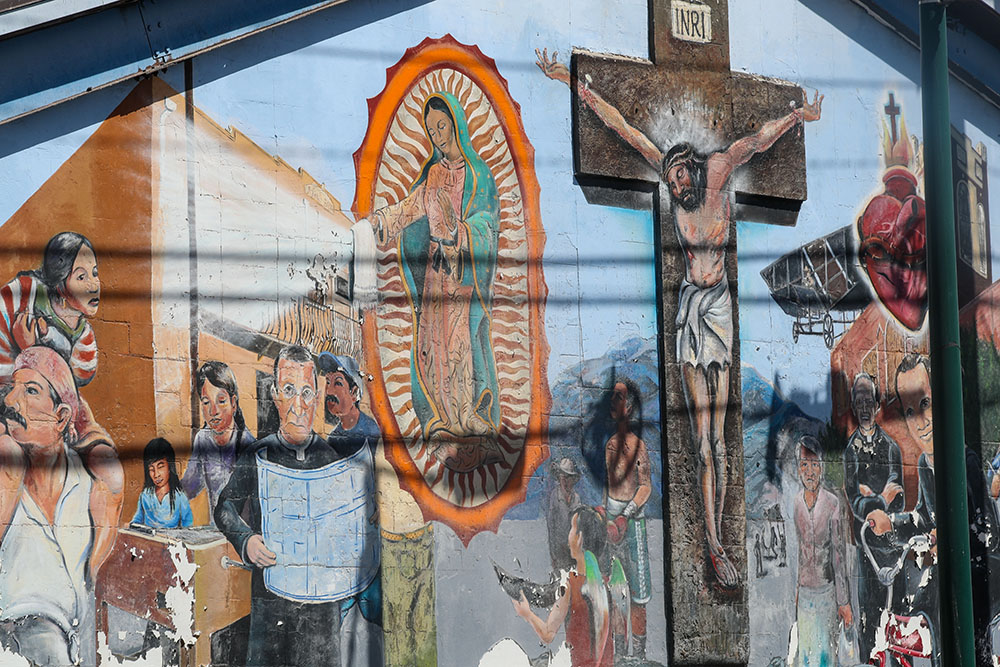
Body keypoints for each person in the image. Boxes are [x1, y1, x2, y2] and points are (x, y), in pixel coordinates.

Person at [536, 49, 822, 590]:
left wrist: (796, 117)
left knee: (722, 439)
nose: (676, 186)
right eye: (669, 180)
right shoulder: (673, 187)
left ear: (692, 167)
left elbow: (757, 141)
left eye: (679, 176)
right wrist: (576, 86)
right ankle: (712, 542)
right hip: (691, 309)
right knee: (701, 439)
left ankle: (720, 536)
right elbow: (624, 131)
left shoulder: (717, 172)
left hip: (720, 308)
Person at [215, 345, 380, 667]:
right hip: (270, 606)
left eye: (306, 392)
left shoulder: (332, 459)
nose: (298, 404)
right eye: (289, 390)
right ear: (275, 395)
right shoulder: (258, 454)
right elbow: (225, 507)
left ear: (316, 397)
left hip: (322, 616)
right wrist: (246, 540)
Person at [368, 92, 501, 473]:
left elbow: (488, 225)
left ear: (456, 124)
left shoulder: (479, 175)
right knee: (433, 345)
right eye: (431, 130)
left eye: (442, 126)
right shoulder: (433, 174)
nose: (438, 135)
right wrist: (381, 221)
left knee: (459, 343)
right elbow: (413, 207)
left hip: (461, 272)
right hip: (434, 274)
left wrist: (460, 232)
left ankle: (467, 415)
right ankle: (442, 420)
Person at [866, 354, 999, 661]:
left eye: (925, 404)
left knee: (941, 593)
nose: (920, 422)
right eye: (910, 411)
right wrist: (891, 523)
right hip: (950, 568)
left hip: (985, 569)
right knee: (912, 580)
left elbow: (987, 535)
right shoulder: (926, 465)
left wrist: (946, 540)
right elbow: (924, 518)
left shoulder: (965, 462)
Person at [0, 231, 123, 563]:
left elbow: (75, 379)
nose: (93, 284)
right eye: (81, 276)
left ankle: (90, 575)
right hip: (8, 394)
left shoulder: (84, 336)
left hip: (57, 401)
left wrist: (37, 350)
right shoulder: (23, 294)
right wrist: (27, 354)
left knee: (111, 472)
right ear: (59, 285)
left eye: (95, 273)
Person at [0, 346, 122, 665]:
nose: (11, 400)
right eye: (12, 389)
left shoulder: (88, 482)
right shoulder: (6, 477)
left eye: (30, 390)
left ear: (62, 416)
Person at [317, 351, 384, 664]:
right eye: (328, 383)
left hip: (371, 546)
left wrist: (381, 507)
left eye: (338, 384)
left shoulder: (373, 433)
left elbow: (388, 482)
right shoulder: (332, 439)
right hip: (341, 547)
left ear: (355, 392)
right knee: (342, 624)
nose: (330, 391)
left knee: (373, 620)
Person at [842, 372, 904, 658]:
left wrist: (871, 500)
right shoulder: (850, 452)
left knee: (899, 626)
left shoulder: (890, 448)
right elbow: (855, 500)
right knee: (869, 625)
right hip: (867, 553)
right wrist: (879, 499)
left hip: (893, 549)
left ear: (878, 404)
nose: (864, 407)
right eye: (859, 401)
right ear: (854, 407)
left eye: (869, 400)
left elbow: (897, 498)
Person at [512, 506, 613, 667]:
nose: (568, 535)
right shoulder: (606, 585)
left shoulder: (570, 584)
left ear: (579, 538)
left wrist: (527, 613)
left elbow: (548, 634)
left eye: (572, 528)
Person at [791, 435, 852, 666]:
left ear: (822, 467)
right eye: (804, 465)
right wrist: (797, 590)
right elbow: (797, 550)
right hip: (805, 594)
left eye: (814, 464)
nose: (810, 472)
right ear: (798, 469)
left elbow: (838, 555)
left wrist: (843, 602)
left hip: (826, 593)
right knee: (805, 656)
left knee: (826, 655)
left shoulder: (832, 503)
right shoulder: (796, 503)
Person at [603, 377, 651, 660]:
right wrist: (605, 517)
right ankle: (620, 654)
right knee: (615, 591)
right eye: (613, 396)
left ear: (629, 408)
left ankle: (640, 656)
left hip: (632, 525)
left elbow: (645, 487)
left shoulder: (638, 446)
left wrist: (625, 516)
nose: (613, 402)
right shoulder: (610, 445)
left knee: (638, 593)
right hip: (612, 523)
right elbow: (608, 487)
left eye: (619, 397)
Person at [181, 361, 255, 524]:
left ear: (233, 403)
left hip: (244, 535)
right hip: (216, 532)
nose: (213, 411)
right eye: (206, 402)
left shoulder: (248, 445)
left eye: (221, 401)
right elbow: (190, 486)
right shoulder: (203, 439)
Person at [133, 438, 193, 529]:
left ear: (170, 467)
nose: (156, 474)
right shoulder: (145, 495)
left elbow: (188, 525)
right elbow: (137, 520)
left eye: (160, 467)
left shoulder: (180, 497)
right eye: (151, 469)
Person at [546, 457, 582, 571]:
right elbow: (551, 527)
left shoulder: (576, 498)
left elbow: (579, 526)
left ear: (573, 480)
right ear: (559, 478)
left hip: (574, 549)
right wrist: (553, 554)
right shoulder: (555, 497)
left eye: (568, 477)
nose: (565, 481)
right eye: (563, 477)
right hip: (559, 548)